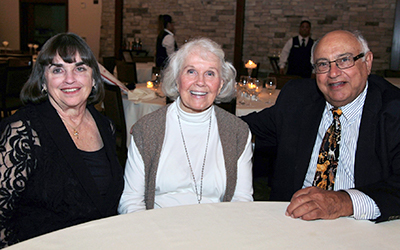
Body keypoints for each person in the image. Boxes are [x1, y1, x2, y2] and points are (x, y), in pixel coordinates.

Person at [242, 30, 400, 223]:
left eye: (344, 60)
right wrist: (196, 109)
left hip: (363, 227)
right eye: (323, 64)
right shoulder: (297, 98)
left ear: (367, 62)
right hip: (292, 223)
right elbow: (242, 128)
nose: (333, 73)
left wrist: (343, 202)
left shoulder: (394, 110)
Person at [0, 33, 124, 247]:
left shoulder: (105, 126)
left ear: (94, 78)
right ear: (43, 81)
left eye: (80, 68)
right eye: (58, 70)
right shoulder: (23, 131)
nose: (70, 79)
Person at [118, 38, 253, 214]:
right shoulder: (147, 129)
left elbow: (241, 200)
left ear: (220, 84)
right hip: (158, 230)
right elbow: (131, 200)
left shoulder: (237, 132)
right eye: (191, 71)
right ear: (176, 79)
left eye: (210, 73)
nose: (200, 81)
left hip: (217, 229)